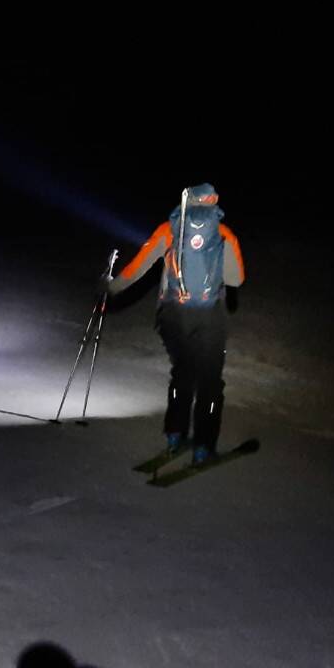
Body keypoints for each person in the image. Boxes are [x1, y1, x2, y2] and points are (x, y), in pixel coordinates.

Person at [103, 183, 245, 464]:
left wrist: (110, 288)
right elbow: (236, 279)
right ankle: (203, 445)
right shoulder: (224, 234)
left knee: (182, 373)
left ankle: (174, 435)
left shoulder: (169, 229)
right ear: (213, 203)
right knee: (210, 383)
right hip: (210, 316)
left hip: (173, 314)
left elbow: (137, 269)